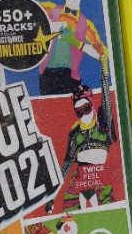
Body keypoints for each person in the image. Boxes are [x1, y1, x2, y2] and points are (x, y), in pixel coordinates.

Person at [47, 76, 117, 213]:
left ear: (91, 104)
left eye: (85, 108)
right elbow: (66, 166)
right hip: (80, 179)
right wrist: (52, 197)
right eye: (78, 111)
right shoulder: (76, 135)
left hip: (100, 177)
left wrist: (104, 73)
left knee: (110, 213)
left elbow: (106, 99)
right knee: (70, 214)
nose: (83, 115)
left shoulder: (103, 123)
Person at [38, 0, 107, 96]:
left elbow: (102, 54)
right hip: (47, 75)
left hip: (71, 78)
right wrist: (49, 26)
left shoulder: (86, 24)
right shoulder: (51, 9)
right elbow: (28, 9)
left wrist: (76, 43)